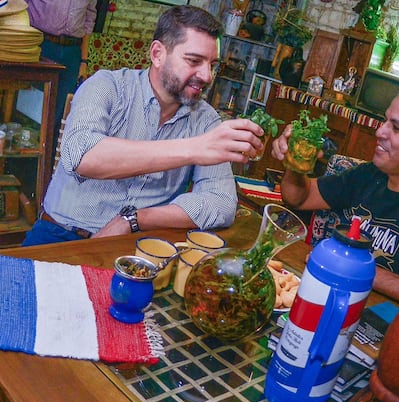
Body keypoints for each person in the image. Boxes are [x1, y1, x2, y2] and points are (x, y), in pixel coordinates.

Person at [23, 5, 266, 246]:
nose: (207, 75)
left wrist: (134, 219)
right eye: (194, 61)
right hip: (61, 236)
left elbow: (222, 203)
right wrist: (195, 148)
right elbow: (81, 156)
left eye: (212, 64)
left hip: (137, 243)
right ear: (157, 54)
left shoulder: (205, 119)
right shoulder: (108, 86)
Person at [271, 83, 399, 302]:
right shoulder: (370, 174)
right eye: (385, 120)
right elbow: (299, 198)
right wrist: (295, 161)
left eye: (396, 128)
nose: (379, 132)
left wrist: (354, 267)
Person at [27, 0, 98, 144]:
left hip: (72, 52)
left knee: (58, 111)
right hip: (42, 44)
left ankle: (46, 160)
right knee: (30, 104)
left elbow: (88, 21)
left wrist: (83, 61)